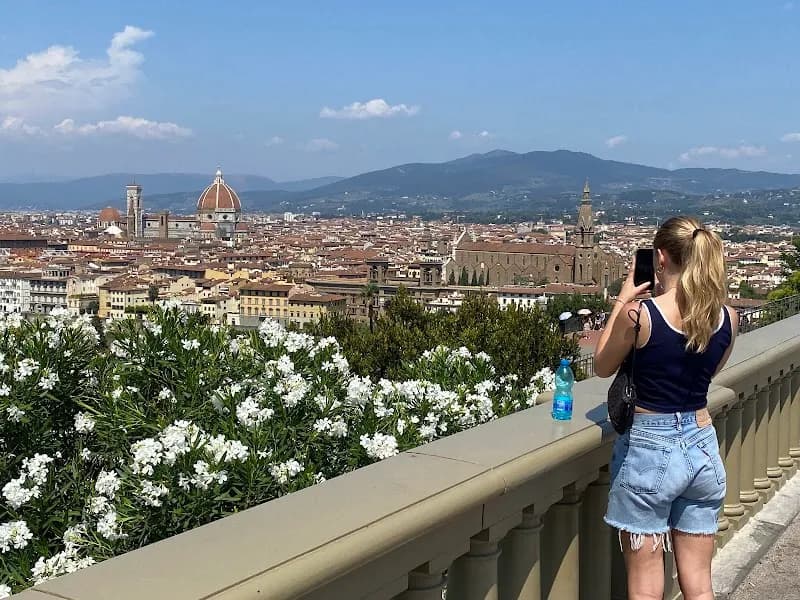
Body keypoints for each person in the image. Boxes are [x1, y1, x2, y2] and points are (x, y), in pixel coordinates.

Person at [594, 217, 737, 600]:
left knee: (645, 588)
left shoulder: (640, 316)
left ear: (660, 259)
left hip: (648, 454)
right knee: (699, 585)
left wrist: (625, 297)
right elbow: (706, 373)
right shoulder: (727, 318)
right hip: (703, 446)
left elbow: (602, 365)